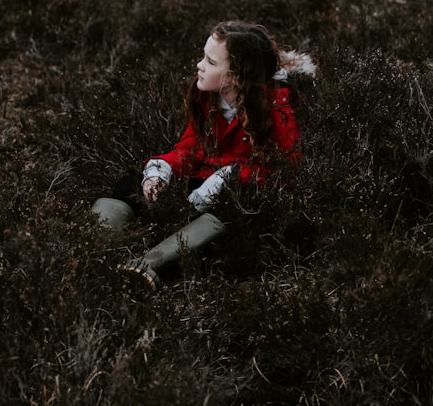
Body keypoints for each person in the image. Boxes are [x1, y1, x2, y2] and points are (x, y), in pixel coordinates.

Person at [90, 21, 316, 291]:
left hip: (232, 195)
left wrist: (227, 178)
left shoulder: (276, 108)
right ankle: (92, 248)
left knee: (242, 204)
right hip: (199, 184)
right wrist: (161, 171)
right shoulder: (207, 97)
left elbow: (286, 169)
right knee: (131, 182)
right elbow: (190, 149)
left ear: (236, 75)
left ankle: (148, 264)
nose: (199, 65)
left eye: (210, 61)